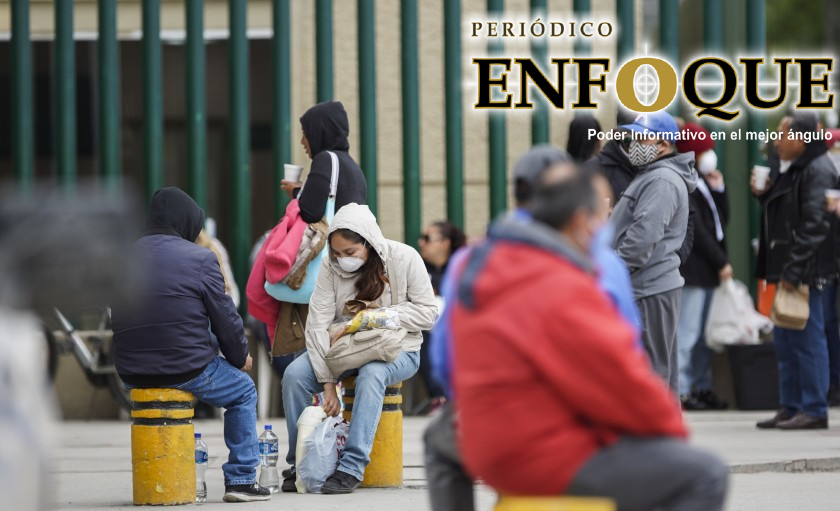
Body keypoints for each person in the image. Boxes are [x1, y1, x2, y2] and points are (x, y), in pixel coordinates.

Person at [450, 173, 728, 510]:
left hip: (485, 444)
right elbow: (620, 377)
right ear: (582, 220)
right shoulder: (563, 284)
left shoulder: (480, 267)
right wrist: (671, 435)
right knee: (705, 473)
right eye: (603, 218)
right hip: (538, 454)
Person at [424, 146, 640, 511]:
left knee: (438, 443)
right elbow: (630, 346)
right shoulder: (602, 260)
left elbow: (446, 361)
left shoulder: (470, 260)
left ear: (517, 191)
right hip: (587, 419)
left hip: (500, 426)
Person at [111, 187, 270, 503]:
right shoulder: (199, 258)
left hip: (130, 371)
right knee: (242, 390)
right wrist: (239, 358)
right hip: (186, 367)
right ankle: (242, 480)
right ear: (185, 222)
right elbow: (225, 318)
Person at [281, 203, 438, 494]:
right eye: (337, 253)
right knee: (294, 375)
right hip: (344, 351)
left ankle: (350, 467)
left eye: (350, 253)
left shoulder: (404, 257)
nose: (343, 260)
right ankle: (298, 462)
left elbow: (429, 313)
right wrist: (328, 384)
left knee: (372, 374)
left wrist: (375, 317)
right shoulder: (329, 266)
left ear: (370, 243)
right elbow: (317, 325)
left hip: (400, 349)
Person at [753, 112, 840, 430]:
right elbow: (785, 211)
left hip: (806, 270)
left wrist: (793, 269)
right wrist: (762, 193)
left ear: (802, 138)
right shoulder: (795, 167)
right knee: (787, 337)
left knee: (807, 336)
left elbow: (816, 226)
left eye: (784, 134)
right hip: (788, 266)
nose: (778, 140)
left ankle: (814, 408)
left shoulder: (818, 170)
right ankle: (791, 405)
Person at [610, 112, 698, 393]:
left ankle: (658, 435)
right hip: (646, 287)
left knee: (652, 376)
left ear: (662, 143)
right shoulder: (653, 176)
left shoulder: (661, 180)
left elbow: (642, 238)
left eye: (640, 136)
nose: (632, 142)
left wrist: (613, 273)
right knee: (656, 374)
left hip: (647, 288)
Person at [675, 124, 732, 411]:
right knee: (687, 334)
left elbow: (722, 221)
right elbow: (698, 231)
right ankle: (683, 390)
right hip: (695, 271)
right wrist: (721, 262)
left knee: (702, 338)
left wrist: (719, 189)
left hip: (708, 272)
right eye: (704, 150)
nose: (709, 155)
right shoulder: (685, 183)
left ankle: (701, 386)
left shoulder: (703, 183)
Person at [280, 100, 367, 223]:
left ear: (318, 132)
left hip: (332, 241)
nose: (302, 141)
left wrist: (294, 192)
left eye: (305, 134)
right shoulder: (352, 166)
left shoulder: (325, 159)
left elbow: (310, 212)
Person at [418, 221, 466, 414]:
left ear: (445, 243)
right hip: (428, 324)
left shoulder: (461, 266)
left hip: (457, 323)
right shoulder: (420, 267)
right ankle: (439, 397)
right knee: (420, 335)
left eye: (428, 238)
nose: (422, 243)